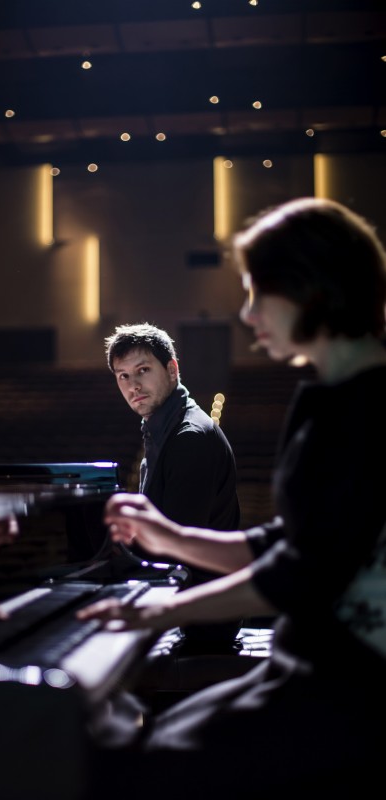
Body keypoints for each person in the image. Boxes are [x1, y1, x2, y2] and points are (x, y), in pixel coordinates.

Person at [79, 197, 386, 798]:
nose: (246, 314)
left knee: (133, 763)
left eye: (257, 292)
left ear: (311, 289)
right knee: (135, 743)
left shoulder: (363, 410)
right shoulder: (337, 397)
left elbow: (303, 573)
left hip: (352, 684)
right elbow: (300, 541)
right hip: (318, 663)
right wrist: (172, 537)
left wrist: (161, 611)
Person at [104, 322, 242, 652]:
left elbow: (179, 547)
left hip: (202, 619)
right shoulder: (164, 429)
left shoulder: (188, 437)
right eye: (122, 375)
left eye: (142, 370)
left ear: (171, 369)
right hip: (188, 600)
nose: (133, 384)